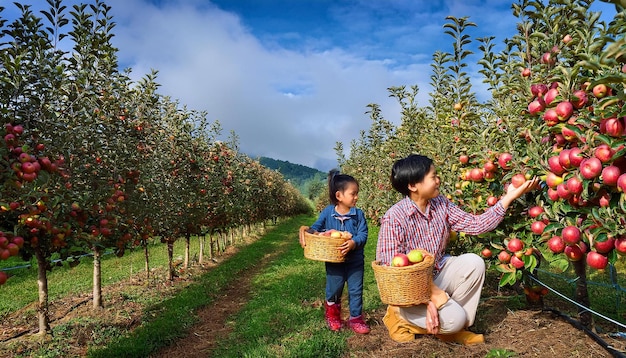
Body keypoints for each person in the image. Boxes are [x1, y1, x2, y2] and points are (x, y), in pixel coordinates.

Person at [376, 154, 538, 345]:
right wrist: (428, 299)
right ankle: (400, 318)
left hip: (437, 273)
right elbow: (390, 270)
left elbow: (476, 225)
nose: (438, 180)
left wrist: (509, 196)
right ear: (413, 185)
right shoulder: (395, 217)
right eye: (433, 176)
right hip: (409, 290)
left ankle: (454, 327)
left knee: (474, 263)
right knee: (454, 318)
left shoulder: (441, 204)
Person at [299, 170, 370, 334]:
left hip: (355, 261)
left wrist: (354, 242)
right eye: (353, 194)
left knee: (355, 290)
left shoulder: (358, 215)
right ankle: (333, 317)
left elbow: (363, 234)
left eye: (357, 193)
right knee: (334, 289)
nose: (356, 197)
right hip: (334, 262)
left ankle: (356, 319)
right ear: (339, 195)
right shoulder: (328, 213)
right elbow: (316, 229)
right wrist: (308, 231)